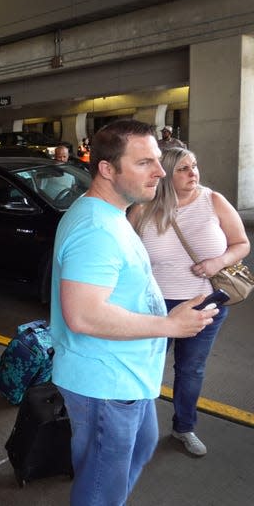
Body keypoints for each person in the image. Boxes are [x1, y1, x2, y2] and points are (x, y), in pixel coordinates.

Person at [49, 119, 217, 505]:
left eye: (158, 160)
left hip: (127, 377)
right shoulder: (95, 229)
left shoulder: (114, 213)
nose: (160, 171)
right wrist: (170, 324)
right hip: (104, 383)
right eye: (144, 163)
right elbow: (84, 316)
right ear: (107, 169)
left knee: (138, 451)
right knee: (101, 485)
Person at [128, 147, 249, 457]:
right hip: (155, 307)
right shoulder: (142, 209)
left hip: (206, 304)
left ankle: (184, 427)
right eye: (183, 168)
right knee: (144, 368)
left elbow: (241, 243)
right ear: (166, 173)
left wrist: (218, 261)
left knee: (190, 370)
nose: (193, 173)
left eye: (194, 166)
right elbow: (126, 258)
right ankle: (135, 427)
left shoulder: (214, 201)